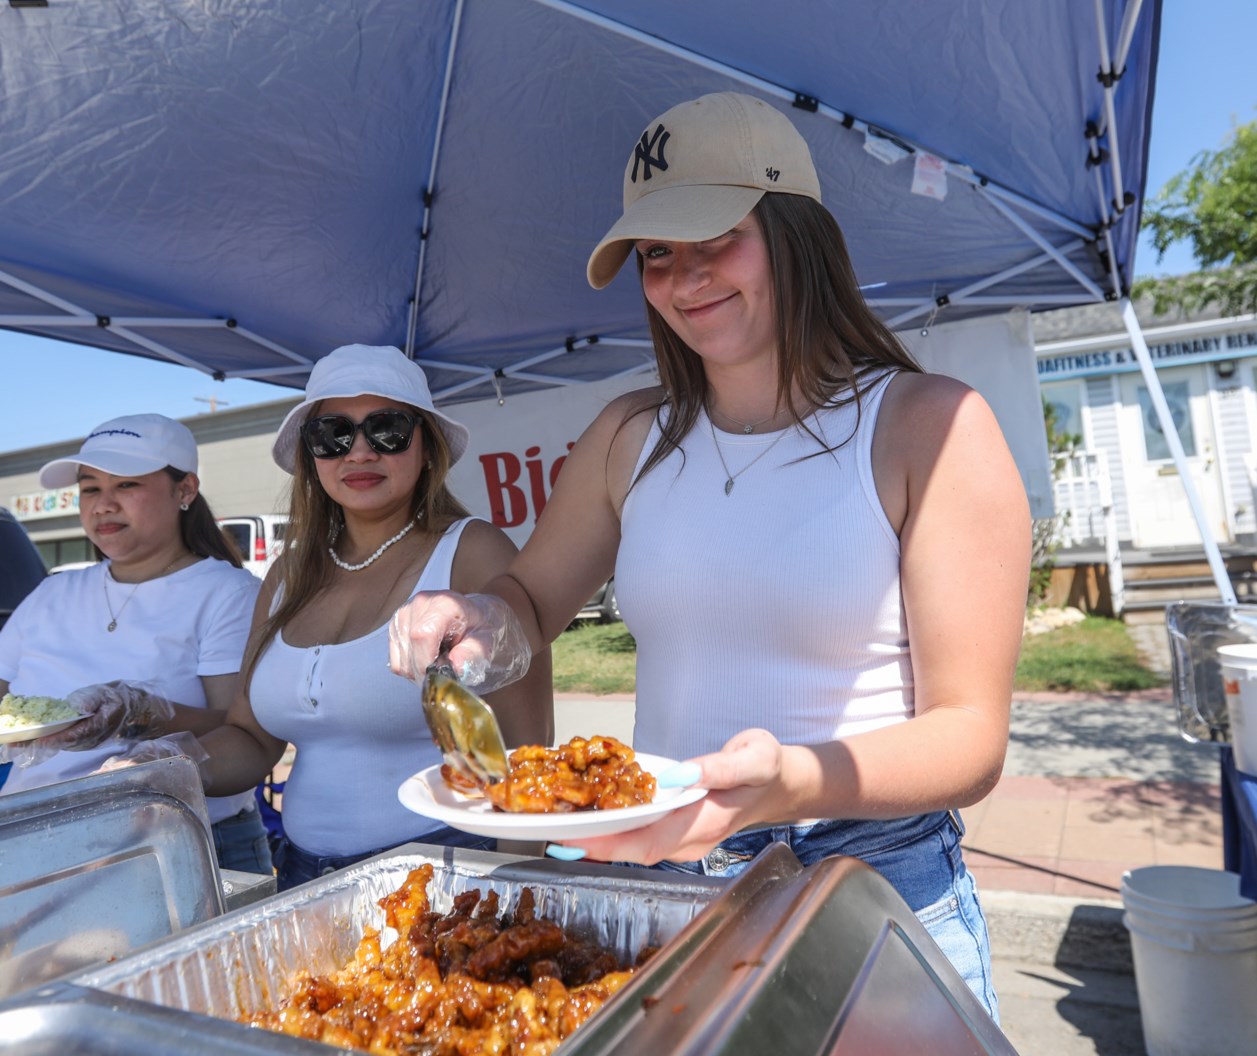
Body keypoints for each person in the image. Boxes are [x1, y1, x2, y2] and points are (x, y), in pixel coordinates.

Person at [387, 92, 1031, 1019]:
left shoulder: (927, 425)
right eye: (655, 255)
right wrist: (474, 615)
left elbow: (969, 739)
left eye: (713, 239)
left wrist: (784, 785)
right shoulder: (626, 436)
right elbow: (528, 602)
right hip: (672, 888)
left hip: (872, 885)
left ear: (794, 235)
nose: (683, 280)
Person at [195, 344, 554, 890]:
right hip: (301, 877)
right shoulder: (287, 574)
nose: (358, 451)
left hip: (449, 874)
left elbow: (528, 752)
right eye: (332, 435)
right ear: (311, 459)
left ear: (428, 448)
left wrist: (521, 890)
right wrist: (168, 767)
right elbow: (250, 738)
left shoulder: (472, 551)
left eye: (387, 429)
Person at [0, 414, 271, 874]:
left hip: (172, 843)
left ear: (185, 490)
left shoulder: (227, 593)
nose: (103, 505)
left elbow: (242, 731)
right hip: (36, 840)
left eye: (125, 485)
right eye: (90, 489)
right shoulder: (54, 592)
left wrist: (140, 715)